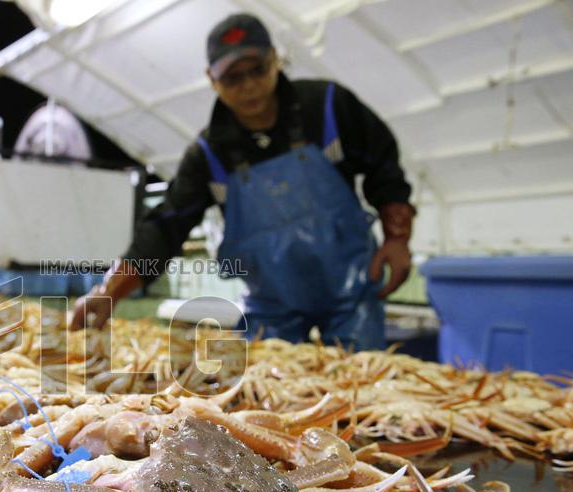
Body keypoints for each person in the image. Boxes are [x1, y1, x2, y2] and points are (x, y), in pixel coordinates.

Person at [70, 13, 414, 350]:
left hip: (351, 292)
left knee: (362, 377)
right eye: (233, 78)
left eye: (258, 70)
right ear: (212, 79)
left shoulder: (326, 107)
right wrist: (109, 291)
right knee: (262, 378)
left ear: (275, 60)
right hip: (272, 306)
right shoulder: (209, 154)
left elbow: (383, 163)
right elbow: (165, 228)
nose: (249, 86)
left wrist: (397, 238)